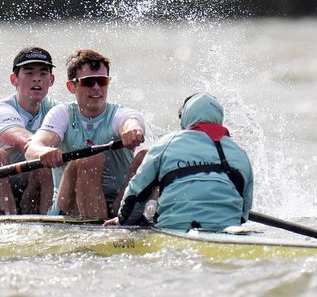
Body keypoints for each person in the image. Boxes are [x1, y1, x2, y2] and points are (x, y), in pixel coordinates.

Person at [25, 48, 147, 220]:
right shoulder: (62, 114)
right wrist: (43, 152)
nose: (96, 88)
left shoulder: (120, 114)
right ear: (71, 86)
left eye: (102, 81)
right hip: (69, 207)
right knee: (92, 159)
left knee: (146, 156)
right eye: (88, 82)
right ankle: (98, 231)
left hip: (117, 204)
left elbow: (132, 122)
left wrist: (133, 130)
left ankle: (131, 216)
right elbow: (33, 148)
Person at [109, 93, 254, 231]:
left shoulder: (165, 144)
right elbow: (243, 213)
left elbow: (135, 194)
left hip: (174, 228)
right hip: (228, 231)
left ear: (185, 117)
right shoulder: (240, 154)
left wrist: (123, 221)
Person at [0, 46, 58, 214]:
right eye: (29, 73)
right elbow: (27, 141)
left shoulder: (58, 111)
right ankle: (4, 226)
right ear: (14, 79)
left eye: (43, 73)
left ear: (51, 80)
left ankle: (49, 223)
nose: (37, 79)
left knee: (46, 164)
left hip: (29, 194)